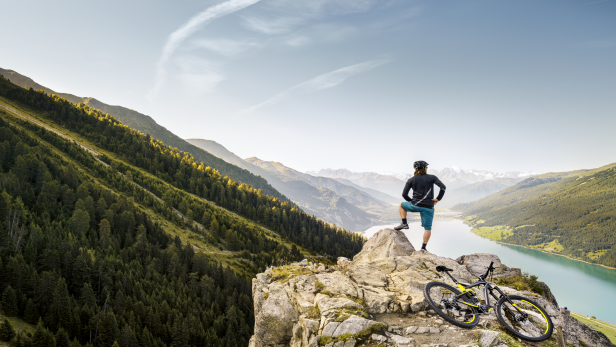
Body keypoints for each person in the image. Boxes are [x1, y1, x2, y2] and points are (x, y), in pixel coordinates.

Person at [394, 160, 446, 252]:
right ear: (424, 168)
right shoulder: (432, 177)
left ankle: (404, 223)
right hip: (428, 207)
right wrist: (438, 199)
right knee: (428, 228)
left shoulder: (411, 180)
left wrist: (412, 201)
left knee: (402, 205)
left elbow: (404, 194)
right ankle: (423, 248)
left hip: (414, 205)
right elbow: (443, 187)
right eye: (426, 167)